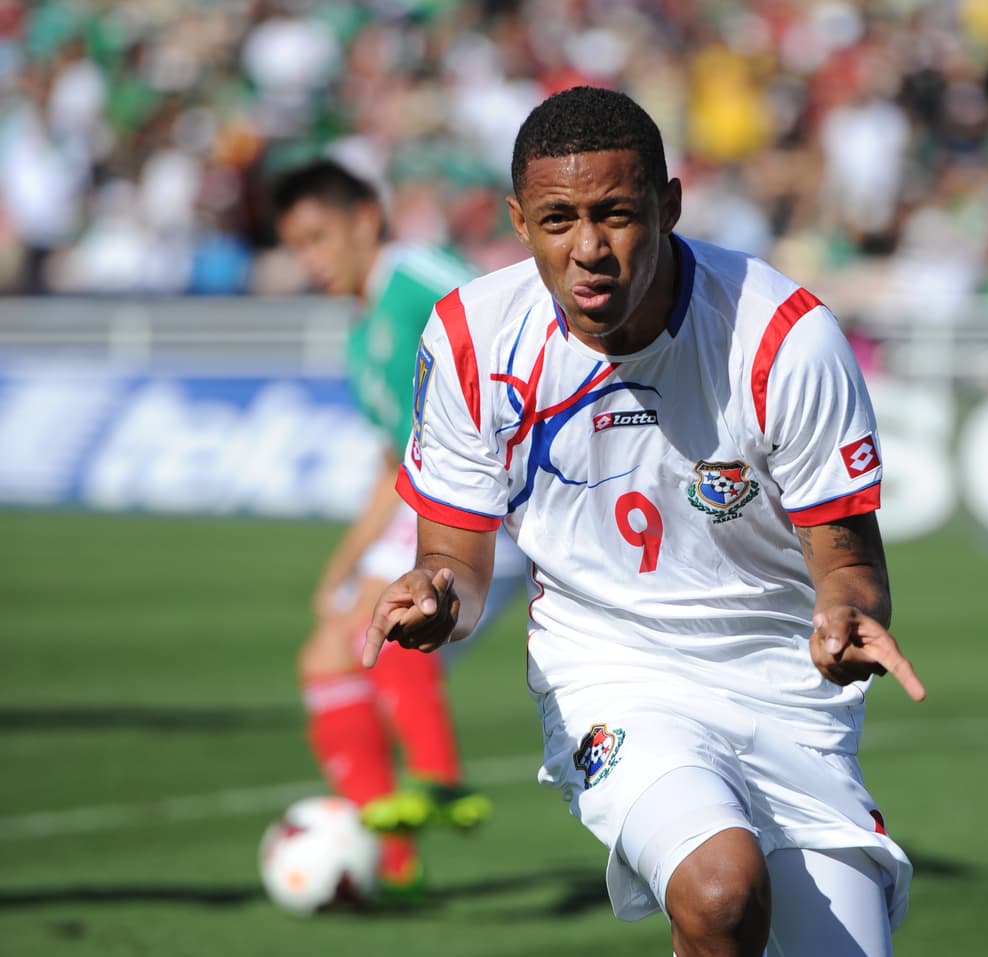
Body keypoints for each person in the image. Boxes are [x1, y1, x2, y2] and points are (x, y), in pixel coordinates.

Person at [362, 86, 927, 954]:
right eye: (557, 221)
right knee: (720, 888)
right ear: (519, 221)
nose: (588, 249)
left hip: (785, 686)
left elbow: (848, 563)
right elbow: (457, 561)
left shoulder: (781, 336)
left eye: (617, 214)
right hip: (611, 668)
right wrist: (439, 594)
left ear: (669, 204)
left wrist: (849, 612)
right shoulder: (471, 340)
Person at [271, 158, 522, 900]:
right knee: (325, 655)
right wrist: (338, 567)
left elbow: (502, 308)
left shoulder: (412, 273)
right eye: (297, 246)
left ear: (365, 221)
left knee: (377, 622)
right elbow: (393, 457)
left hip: (488, 491)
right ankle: (391, 851)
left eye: (320, 237)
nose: (311, 259)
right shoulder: (359, 339)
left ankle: (440, 780)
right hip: (425, 498)